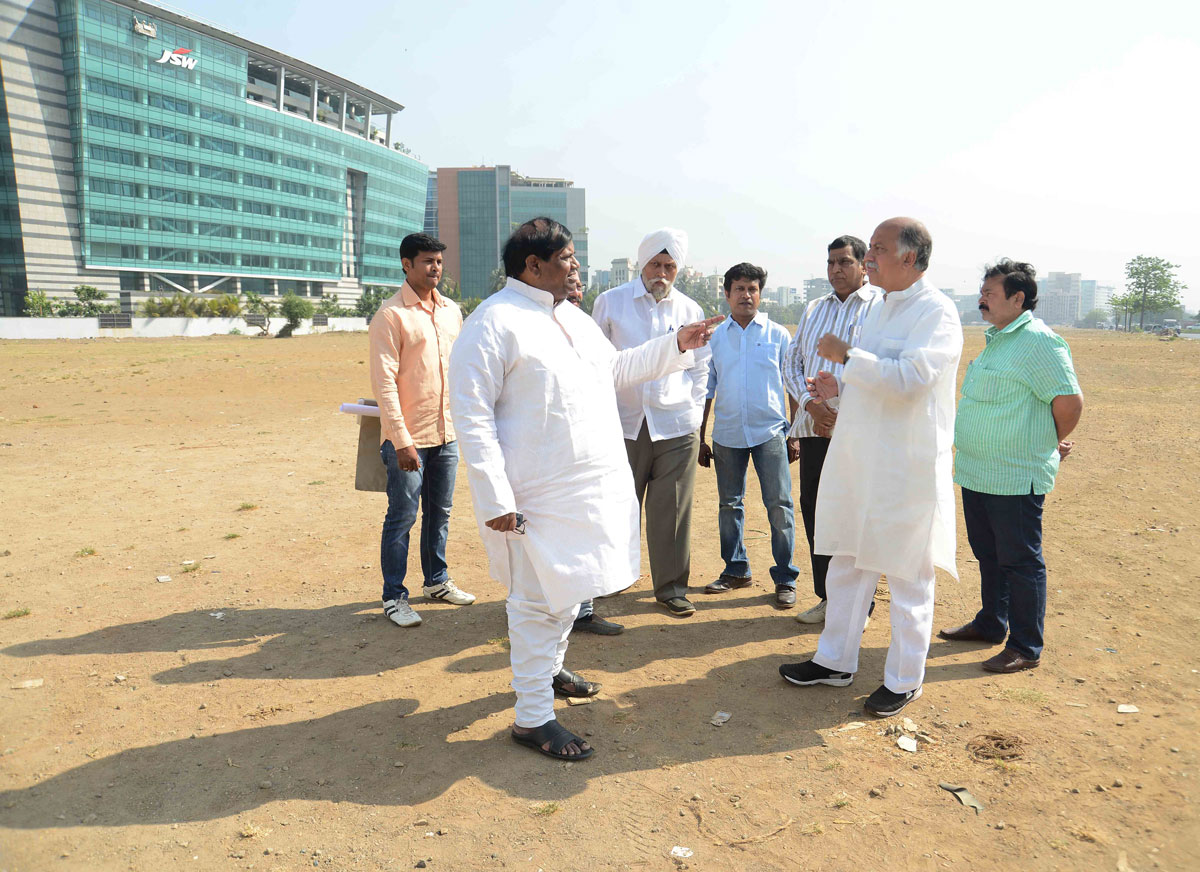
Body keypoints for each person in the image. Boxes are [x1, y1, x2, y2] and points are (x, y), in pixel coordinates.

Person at [449, 218, 721, 760]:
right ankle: (531, 718)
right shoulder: (494, 322)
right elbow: (472, 418)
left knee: (570, 590)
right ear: (534, 265)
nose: (575, 266)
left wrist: (676, 344)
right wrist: (497, 499)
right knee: (534, 602)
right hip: (533, 494)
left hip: (587, 486)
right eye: (568, 257)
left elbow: (615, 369)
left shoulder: (570, 316)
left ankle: (550, 674)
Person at [777, 217, 963, 718]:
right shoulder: (883, 307)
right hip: (863, 460)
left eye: (876, 249)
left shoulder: (936, 312)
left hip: (905, 466)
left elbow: (911, 381)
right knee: (847, 565)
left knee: (906, 576)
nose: (868, 259)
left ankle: (904, 679)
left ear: (909, 258)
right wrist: (842, 388)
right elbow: (877, 381)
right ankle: (835, 660)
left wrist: (848, 357)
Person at [939, 259, 1083, 673]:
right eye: (982, 291)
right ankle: (990, 624)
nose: (982, 299)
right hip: (977, 472)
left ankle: (1024, 645)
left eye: (990, 293)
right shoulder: (997, 338)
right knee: (988, 554)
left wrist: (1047, 444)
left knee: (1020, 561)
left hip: (1016, 475)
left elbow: (1069, 403)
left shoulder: (1040, 341)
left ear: (1018, 298)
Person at [592, 229, 709, 617]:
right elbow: (597, 367)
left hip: (675, 425)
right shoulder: (610, 304)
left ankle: (672, 587)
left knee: (672, 510)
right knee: (616, 505)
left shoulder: (689, 310)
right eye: (656, 265)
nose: (662, 273)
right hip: (623, 423)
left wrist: (692, 413)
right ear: (642, 264)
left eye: (670, 266)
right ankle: (609, 578)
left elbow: (701, 368)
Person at [368, 233, 475, 628]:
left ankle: (437, 581)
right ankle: (394, 596)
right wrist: (400, 440)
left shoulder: (451, 311)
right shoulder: (391, 316)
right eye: (427, 261)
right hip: (409, 439)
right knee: (403, 516)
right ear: (406, 264)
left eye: (439, 262)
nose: (435, 268)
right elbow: (384, 385)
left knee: (440, 513)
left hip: (447, 433)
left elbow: (462, 371)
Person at [782, 236, 880, 625]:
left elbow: (880, 369)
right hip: (813, 428)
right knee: (816, 511)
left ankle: (860, 603)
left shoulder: (879, 308)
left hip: (858, 432)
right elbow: (791, 363)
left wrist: (840, 412)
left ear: (863, 265)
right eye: (831, 263)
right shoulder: (813, 309)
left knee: (855, 514)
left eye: (845, 262)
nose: (836, 270)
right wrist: (812, 407)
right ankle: (827, 597)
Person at [697, 262, 800, 606]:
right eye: (739, 288)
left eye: (752, 288)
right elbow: (706, 389)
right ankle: (736, 568)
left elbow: (793, 385)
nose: (746, 295)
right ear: (727, 294)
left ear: (760, 293)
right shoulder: (715, 339)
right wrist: (700, 436)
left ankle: (785, 577)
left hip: (770, 431)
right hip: (726, 434)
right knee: (729, 505)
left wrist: (795, 432)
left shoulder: (777, 335)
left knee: (779, 505)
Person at [563, 274, 624, 637]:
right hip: (547, 455)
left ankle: (583, 611)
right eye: (567, 283)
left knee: (587, 529)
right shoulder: (527, 328)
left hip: (588, 447)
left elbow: (617, 370)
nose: (574, 292)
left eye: (578, 287)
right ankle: (536, 610)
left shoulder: (588, 331)